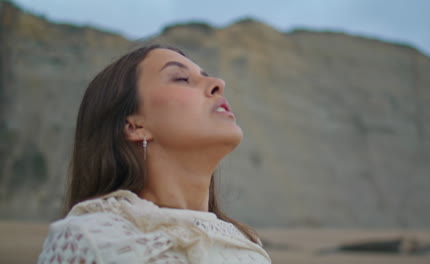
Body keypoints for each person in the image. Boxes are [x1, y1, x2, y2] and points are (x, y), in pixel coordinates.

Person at [37, 44, 272, 264]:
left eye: (206, 75)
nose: (218, 83)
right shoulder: (89, 240)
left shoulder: (248, 250)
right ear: (135, 126)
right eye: (181, 78)